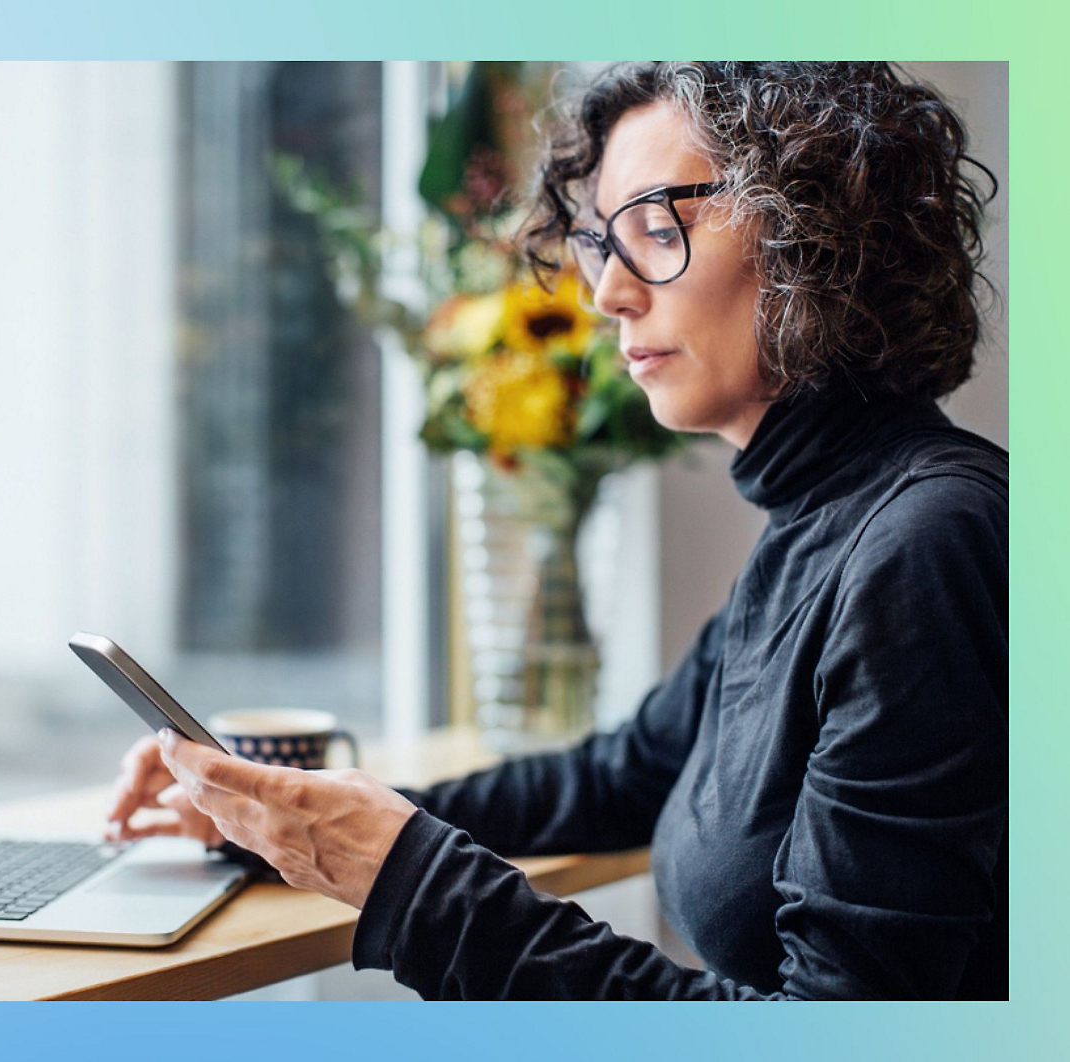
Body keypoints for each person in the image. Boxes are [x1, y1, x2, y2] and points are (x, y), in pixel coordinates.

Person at [105, 62, 1007, 1000]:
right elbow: (620, 778)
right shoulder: (822, 523)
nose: (608, 293)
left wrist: (409, 882)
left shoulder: (926, 544)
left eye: (658, 230)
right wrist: (288, 819)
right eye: (598, 242)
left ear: (818, 237)